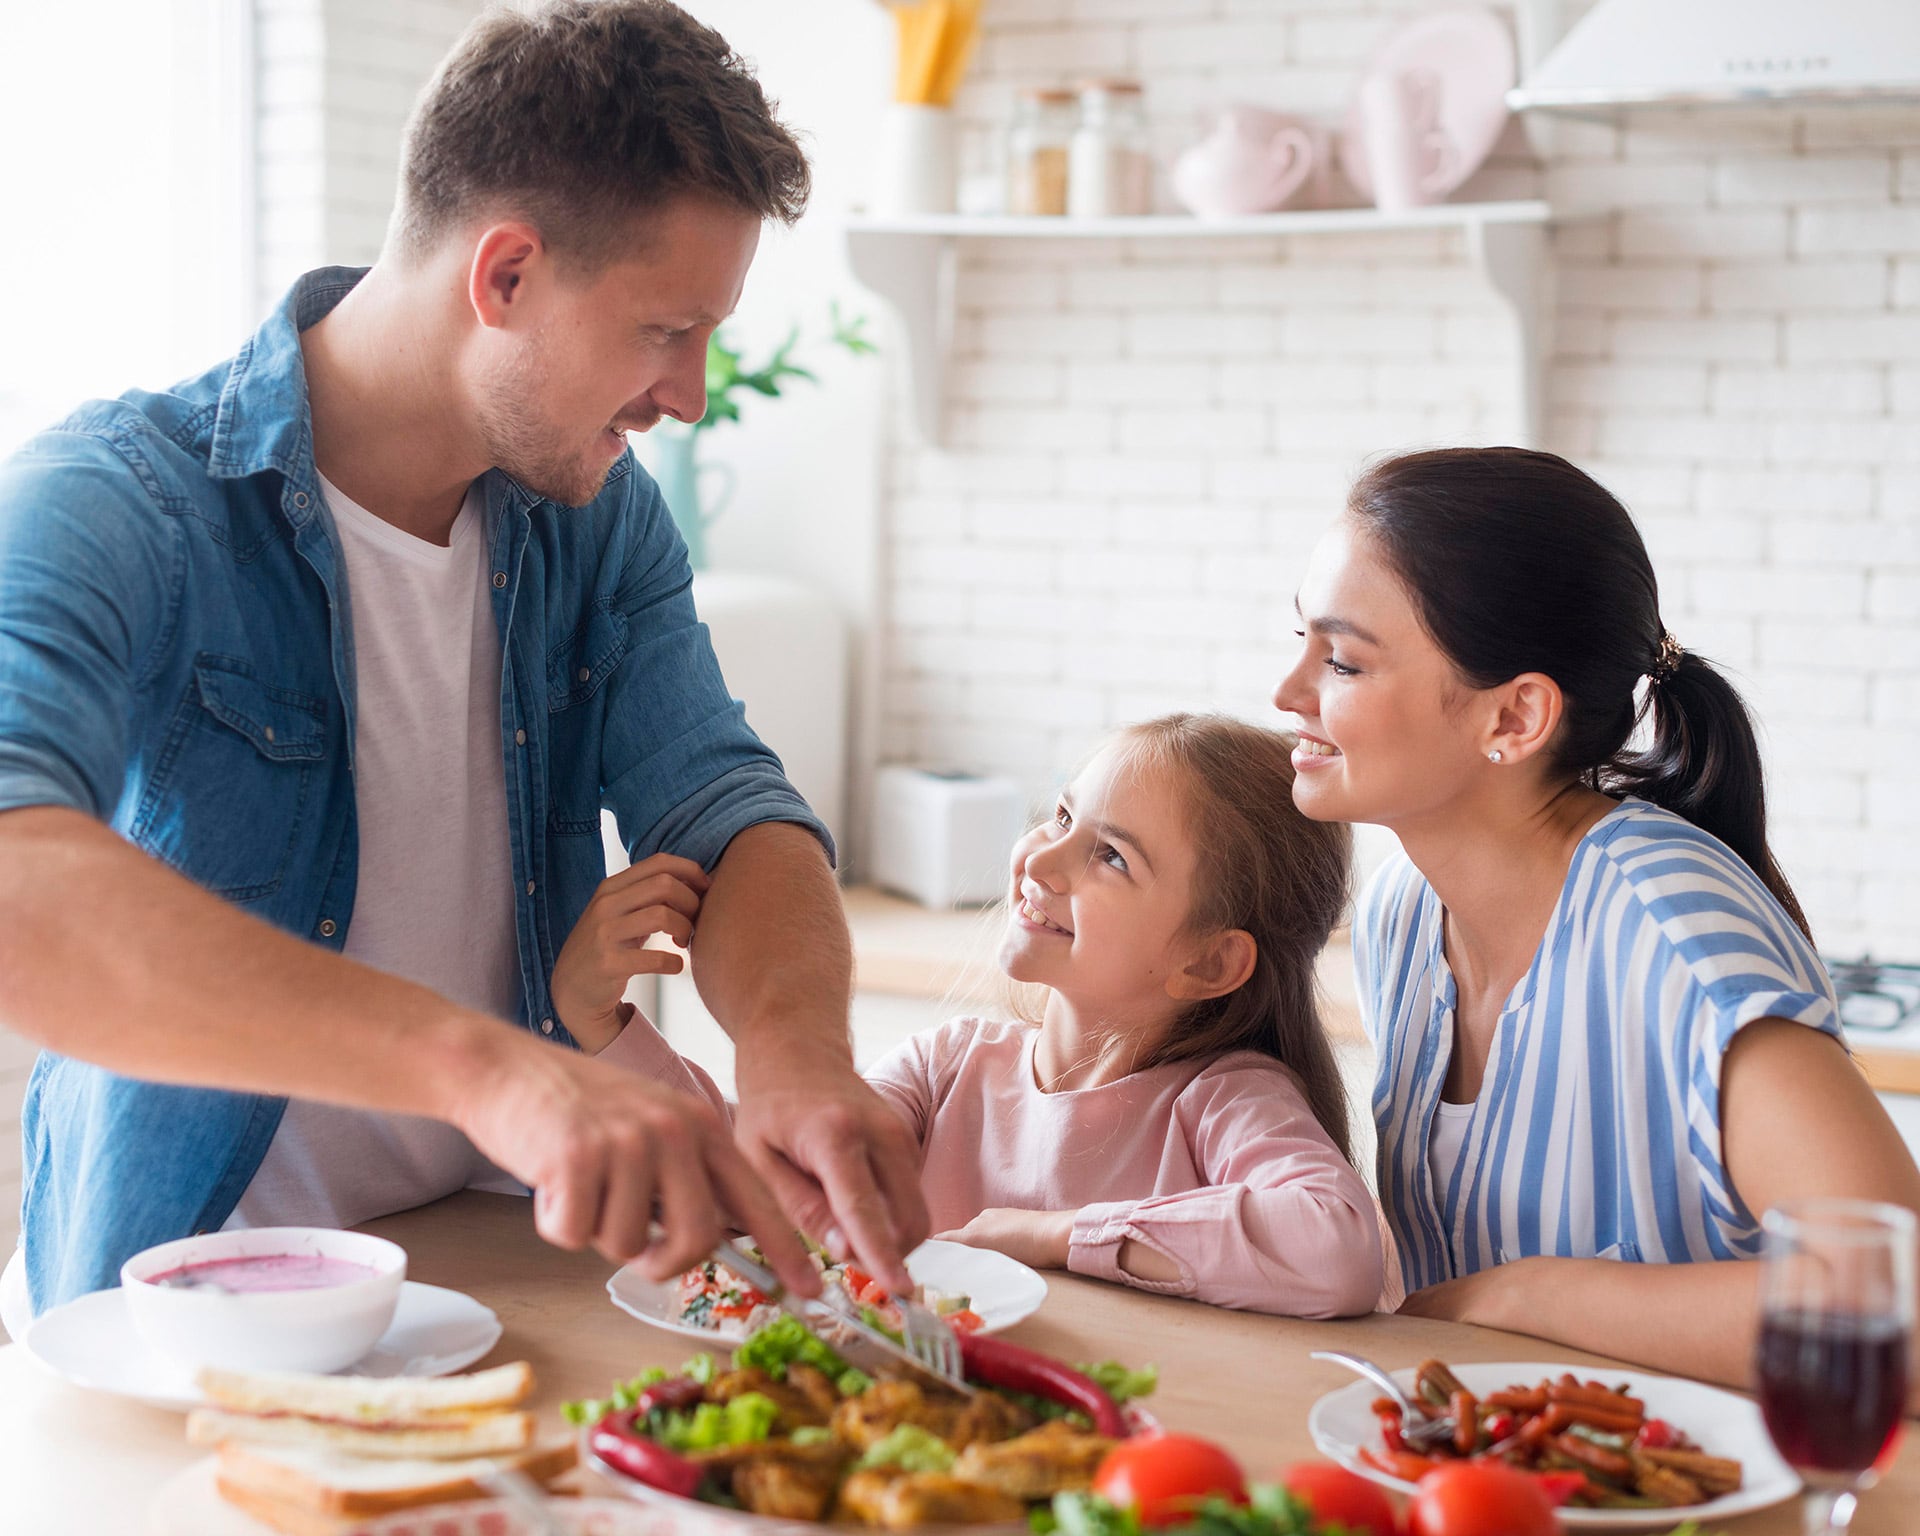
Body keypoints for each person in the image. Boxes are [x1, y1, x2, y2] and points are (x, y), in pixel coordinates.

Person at [0, 0, 926, 1331]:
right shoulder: (117, 504)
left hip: (489, 1280)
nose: (695, 393)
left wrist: (795, 1058)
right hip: (192, 1309)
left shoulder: (598, 519)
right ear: (505, 278)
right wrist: (489, 1073)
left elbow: (726, 807)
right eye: (668, 330)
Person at [1274, 445, 1920, 1389]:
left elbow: (1892, 1315)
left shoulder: (1676, 931)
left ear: (1514, 719)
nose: (1289, 693)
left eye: (1340, 660)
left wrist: (1525, 1296)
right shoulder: (1403, 922)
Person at [863, 714, 1381, 1317]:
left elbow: (1338, 1249)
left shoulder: (1224, 1101)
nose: (1039, 863)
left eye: (1110, 856)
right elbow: (804, 1162)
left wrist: (1054, 1237)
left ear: (1209, 962)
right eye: (1061, 817)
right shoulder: (941, 1069)